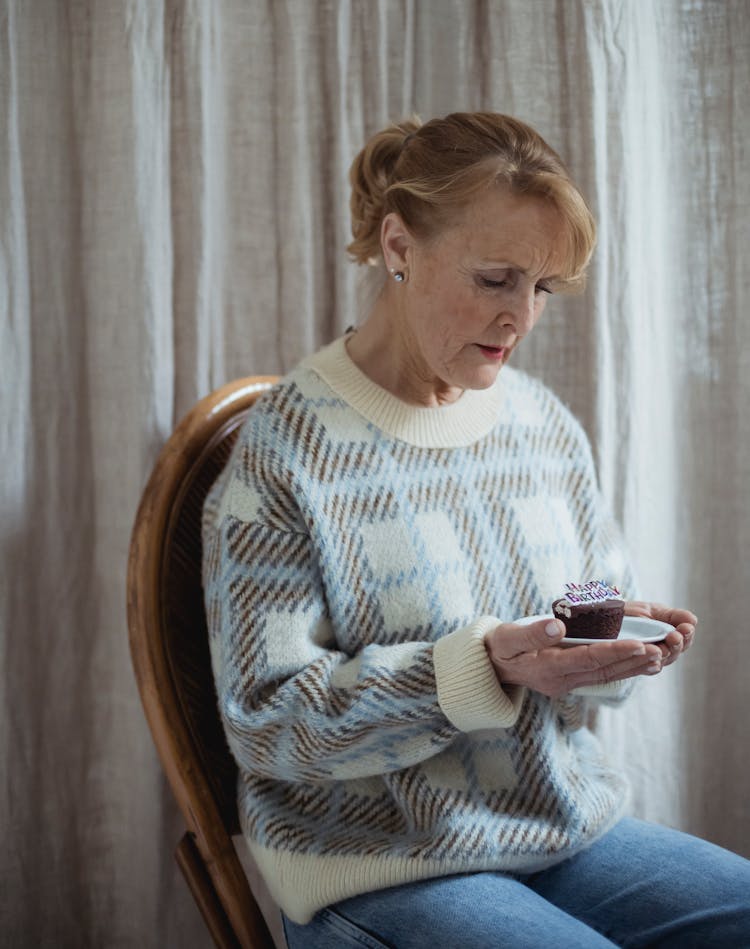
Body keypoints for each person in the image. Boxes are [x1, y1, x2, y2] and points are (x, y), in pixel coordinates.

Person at [202, 112, 750, 948]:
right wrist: (477, 668)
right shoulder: (288, 451)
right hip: (376, 861)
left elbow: (581, 596)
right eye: (496, 279)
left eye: (542, 288)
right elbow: (268, 720)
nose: (521, 318)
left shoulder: (541, 423)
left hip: (555, 826)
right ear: (399, 246)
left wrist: (609, 640)